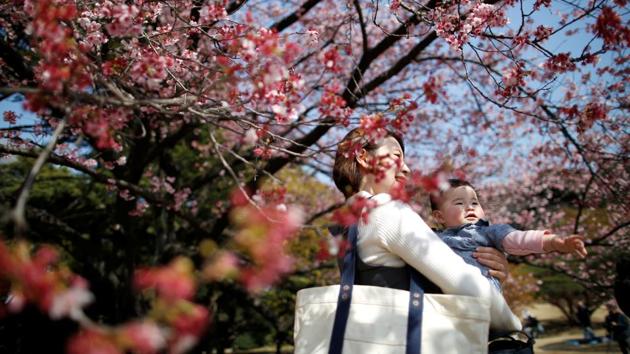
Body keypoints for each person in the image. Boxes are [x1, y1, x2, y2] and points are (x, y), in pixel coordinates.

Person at [332, 128, 521, 331]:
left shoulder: (347, 225)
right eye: (397, 156)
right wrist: (512, 324)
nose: (406, 169)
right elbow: (463, 282)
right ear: (364, 157)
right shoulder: (384, 209)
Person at [429, 179, 587, 290]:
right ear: (439, 217)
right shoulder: (431, 237)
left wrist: (555, 242)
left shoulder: (487, 232)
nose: (470, 207)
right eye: (459, 203)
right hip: (447, 293)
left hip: (482, 291)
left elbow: (519, 239)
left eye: (475, 203)